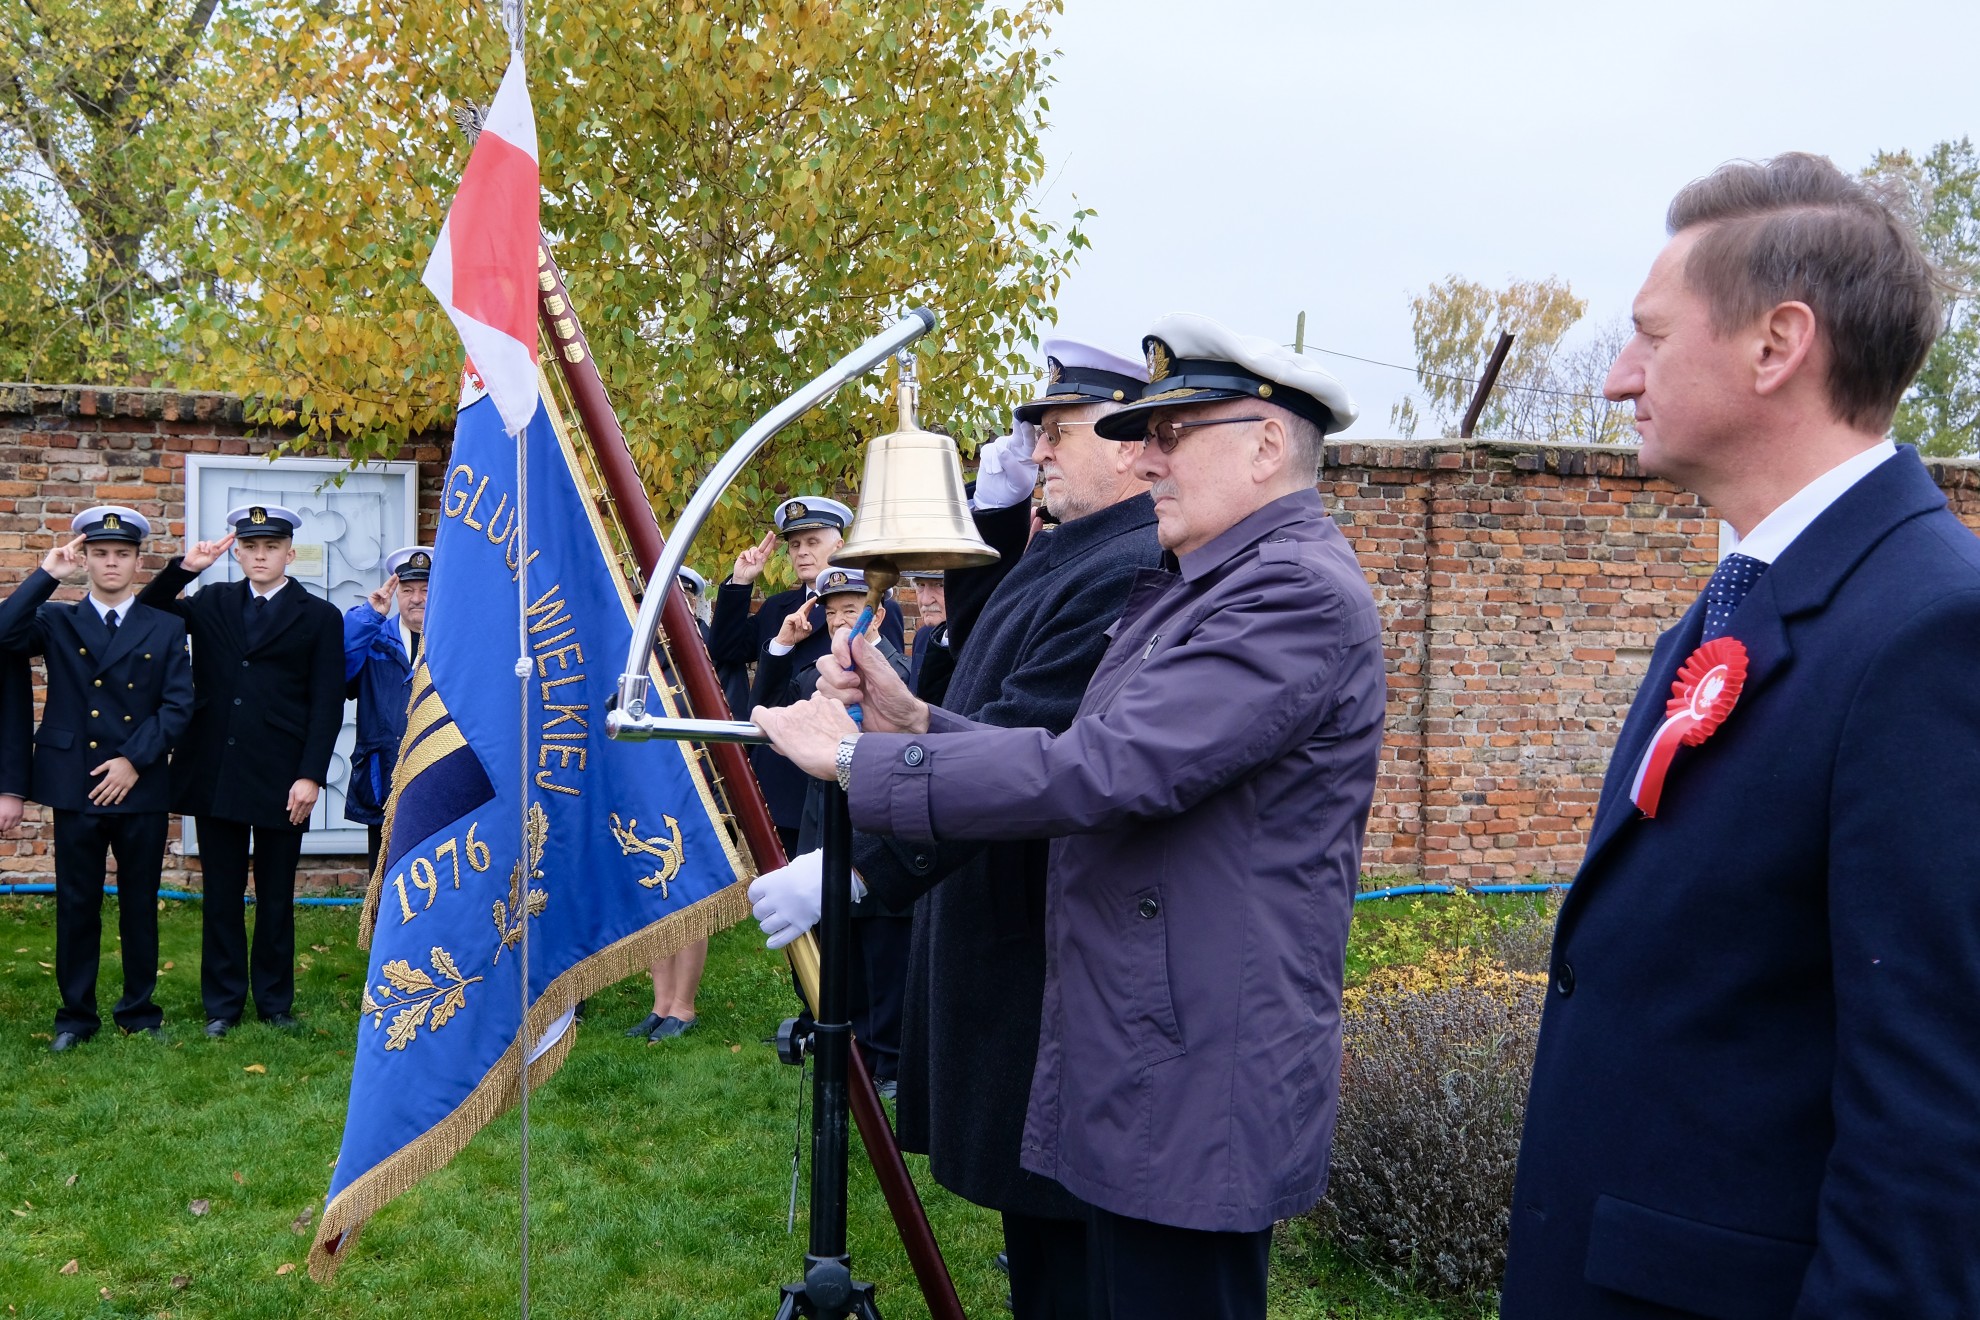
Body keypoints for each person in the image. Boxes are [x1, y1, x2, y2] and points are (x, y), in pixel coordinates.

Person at [752, 314, 1386, 1320]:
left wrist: (862, 759)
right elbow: (1092, 748)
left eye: (1174, 433)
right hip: (1147, 1058)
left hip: (1195, 1074)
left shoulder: (1289, 594)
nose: (1149, 456)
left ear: (1267, 444)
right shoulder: (1209, 581)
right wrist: (919, 722)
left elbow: (1101, 770)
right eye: (1140, 434)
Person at [1499, 154, 1980, 1319]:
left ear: (1777, 346)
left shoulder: (1931, 630)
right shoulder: (1744, 602)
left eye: (1651, 336)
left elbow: (1932, 1129)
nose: (1617, 378)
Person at [139, 504, 344, 1038]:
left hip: (283, 774)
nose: (260, 556)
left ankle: (274, 1002)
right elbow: (148, 611)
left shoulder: (320, 616)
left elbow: (327, 704)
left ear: (289, 554)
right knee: (222, 894)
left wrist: (311, 776)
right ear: (240, 553)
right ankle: (223, 1005)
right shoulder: (212, 601)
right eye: (250, 547)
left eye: (270, 547)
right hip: (217, 768)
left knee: (276, 895)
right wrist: (187, 568)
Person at [0, 508, 193, 1050]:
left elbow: (179, 705)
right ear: (84, 560)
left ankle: (140, 1012)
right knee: (76, 902)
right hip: (75, 779)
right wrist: (46, 574)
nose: (111, 563)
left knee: (140, 903)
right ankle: (75, 1017)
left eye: (122, 554)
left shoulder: (166, 625)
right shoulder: (55, 620)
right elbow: (4, 633)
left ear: (137, 562)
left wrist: (133, 760)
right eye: (100, 553)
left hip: (140, 781)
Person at [759, 567, 913, 1084]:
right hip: (825, 829)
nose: (841, 622)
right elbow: (769, 714)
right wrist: (781, 647)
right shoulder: (816, 678)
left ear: (877, 616)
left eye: (852, 611)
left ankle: (888, 1063)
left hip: (880, 834)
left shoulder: (900, 676)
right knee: (835, 946)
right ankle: (846, 1051)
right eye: (833, 614)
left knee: (883, 951)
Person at [708, 496, 904, 854]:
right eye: (795, 545)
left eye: (813, 542)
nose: (802, 552)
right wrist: (740, 583)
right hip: (779, 776)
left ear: (839, 546)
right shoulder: (777, 608)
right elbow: (724, 649)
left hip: (832, 774)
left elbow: (886, 685)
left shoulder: (875, 607)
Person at [625, 565, 717, 1043]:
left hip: (691, 783)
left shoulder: (699, 646)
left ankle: (684, 1005)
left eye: (674, 599)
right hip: (644, 780)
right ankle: (660, 1004)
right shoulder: (635, 651)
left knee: (690, 890)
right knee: (654, 888)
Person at [343, 545, 431, 877]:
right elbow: (340, 669)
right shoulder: (374, 637)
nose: (416, 599)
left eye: (425, 589)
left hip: (436, 773)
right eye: (407, 590)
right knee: (382, 875)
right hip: (383, 774)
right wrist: (370, 615)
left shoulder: (453, 643)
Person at [901, 570, 951, 701]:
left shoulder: (987, 639)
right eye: (920, 585)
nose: (925, 600)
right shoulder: (923, 636)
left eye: (940, 585)